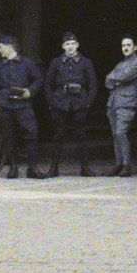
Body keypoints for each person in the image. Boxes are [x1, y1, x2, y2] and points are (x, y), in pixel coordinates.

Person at [0, 33, 44, 179]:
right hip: (4, 105)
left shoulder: (27, 63)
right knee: (8, 136)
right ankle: (13, 168)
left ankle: (32, 168)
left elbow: (38, 79)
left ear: (10, 47)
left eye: (0, 47)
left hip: (23, 105)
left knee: (31, 134)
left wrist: (30, 91)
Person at [43, 30, 98, 177]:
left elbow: (93, 85)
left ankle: (85, 168)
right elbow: (48, 84)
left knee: (81, 136)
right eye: (67, 44)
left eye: (73, 43)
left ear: (78, 45)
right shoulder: (56, 63)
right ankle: (53, 168)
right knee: (58, 136)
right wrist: (52, 103)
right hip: (60, 103)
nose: (70, 47)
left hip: (80, 103)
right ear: (63, 46)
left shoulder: (86, 62)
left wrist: (87, 103)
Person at [104, 35, 137, 176]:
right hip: (114, 102)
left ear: (135, 47)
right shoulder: (120, 64)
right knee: (116, 134)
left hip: (127, 103)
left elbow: (124, 77)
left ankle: (127, 165)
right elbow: (107, 81)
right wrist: (115, 79)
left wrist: (115, 79)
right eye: (123, 46)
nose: (125, 48)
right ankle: (119, 163)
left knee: (121, 132)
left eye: (128, 45)